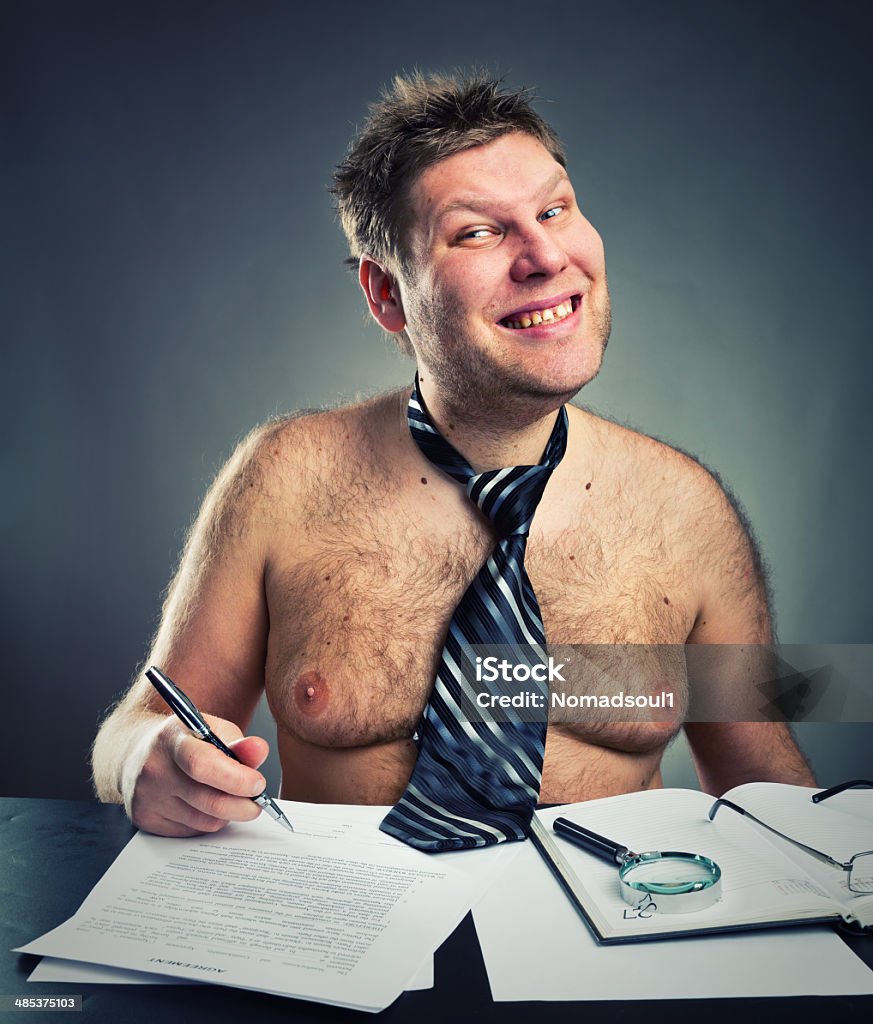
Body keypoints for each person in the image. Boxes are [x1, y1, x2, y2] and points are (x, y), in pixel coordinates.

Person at [91, 71, 814, 838]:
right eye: (478, 231)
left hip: (605, 940)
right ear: (386, 296)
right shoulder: (281, 478)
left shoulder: (688, 507)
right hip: (342, 937)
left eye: (554, 209)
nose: (544, 256)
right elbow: (139, 724)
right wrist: (144, 760)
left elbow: (766, 787)